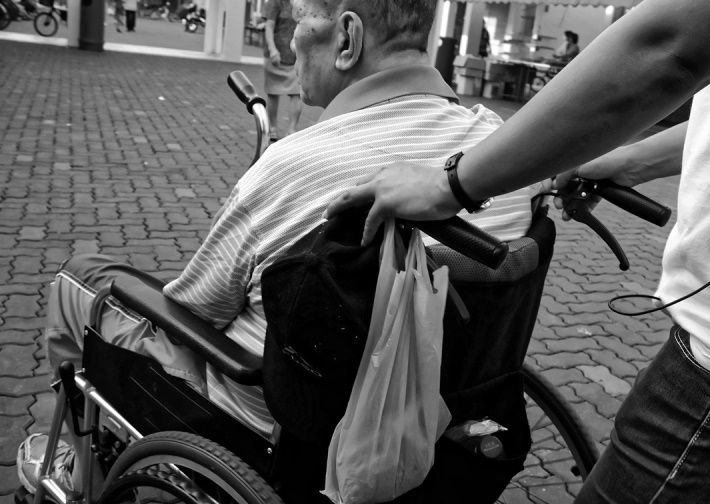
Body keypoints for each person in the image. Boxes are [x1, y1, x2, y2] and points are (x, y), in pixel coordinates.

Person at [16, 0, 544, 500]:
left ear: (346, 39)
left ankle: (82, 470)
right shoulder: (503, 153)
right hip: (443, 415)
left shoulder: (295, 165)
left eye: (299, 18)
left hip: (277, 429)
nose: (291, 40)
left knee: (81, 277)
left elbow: (194, 313)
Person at [325, 0, 710, 502]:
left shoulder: (302, 160)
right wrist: (632, 161)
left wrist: (452, 184)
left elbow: (667, 46)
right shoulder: (481, 124)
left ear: (347, 36)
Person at [263, 0, 302, 141]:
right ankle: (272, 128)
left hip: (296, 55)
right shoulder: (275, 2)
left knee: (297, 93)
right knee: (273, 92)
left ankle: (292, 130)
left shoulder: (302, 3)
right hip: (276, 55)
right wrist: (272, 49)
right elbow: (269, 26)